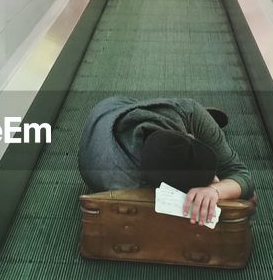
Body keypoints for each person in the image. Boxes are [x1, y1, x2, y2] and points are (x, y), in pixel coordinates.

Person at [78, 97, 254, 226]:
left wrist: (216, 190)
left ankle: (210, 125)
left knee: (201, 128)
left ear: (188, 135)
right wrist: (221, 188)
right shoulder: (126, 185)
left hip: (116, 105)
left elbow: (241, 176)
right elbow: (248, 194)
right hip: (104, 141)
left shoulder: (188, 112)